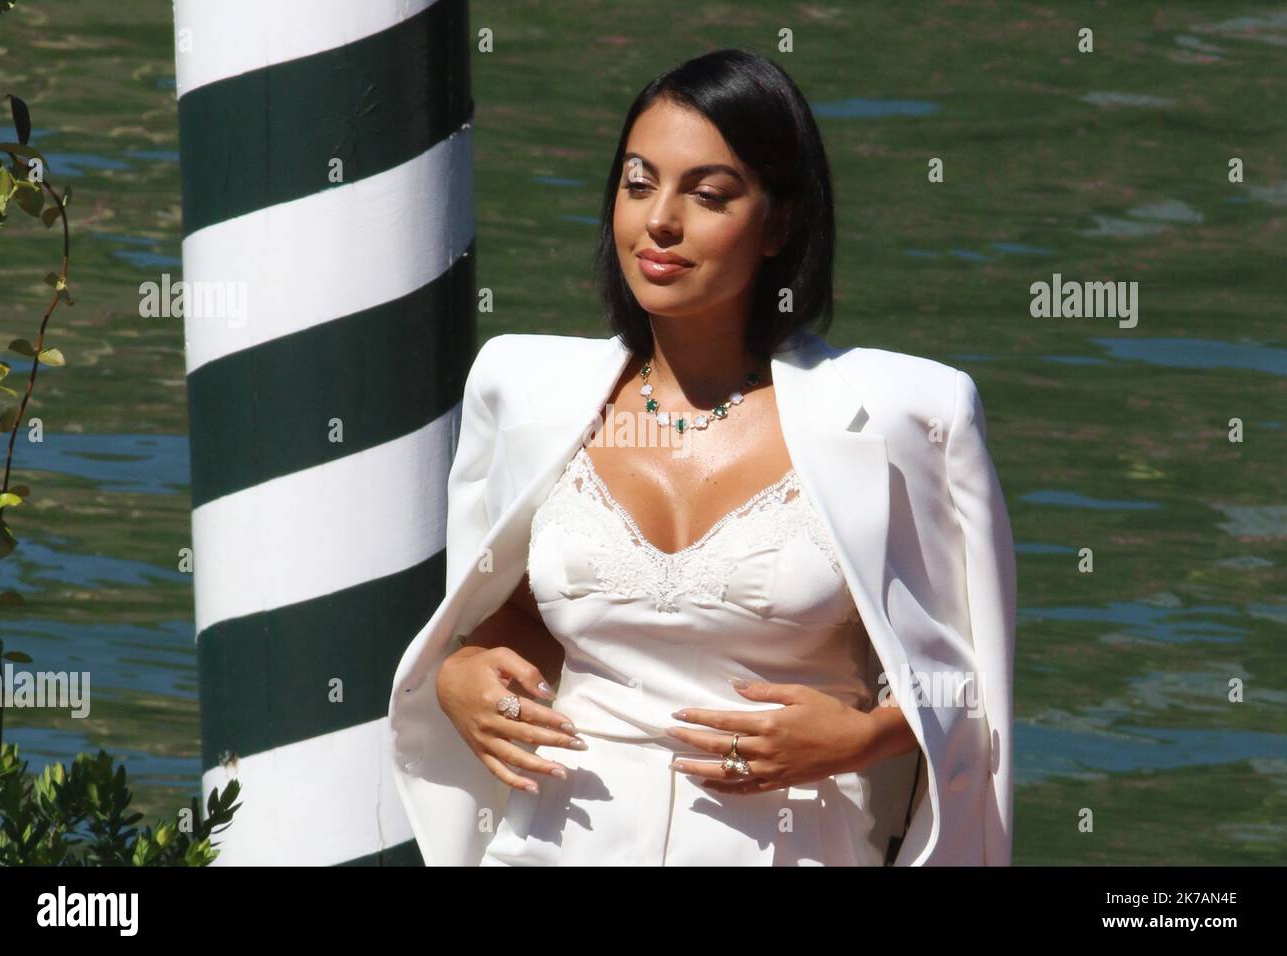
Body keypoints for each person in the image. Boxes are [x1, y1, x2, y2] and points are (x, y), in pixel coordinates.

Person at [388, 48, 1017, 866]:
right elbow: (520, 610)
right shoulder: (525, 388)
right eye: (639, 183)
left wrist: (861, 737)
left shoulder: (905, 416)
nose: (660, 222)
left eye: (709, 195)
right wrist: (461, 671)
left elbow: (972, 688)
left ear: (780, 224)